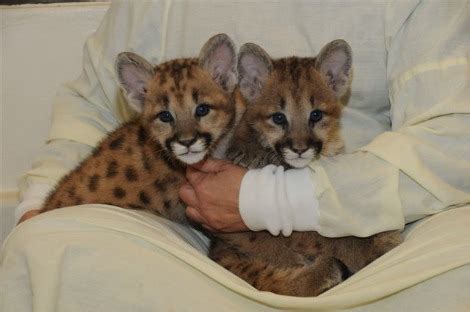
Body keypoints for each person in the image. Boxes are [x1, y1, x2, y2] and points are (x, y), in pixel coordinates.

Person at [5, 1, 470, 311]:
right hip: (189, 227)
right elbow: (91, 105)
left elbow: (456, 132)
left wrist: (266, 199)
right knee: (45, 248)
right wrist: (40, 205)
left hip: (379, 193)